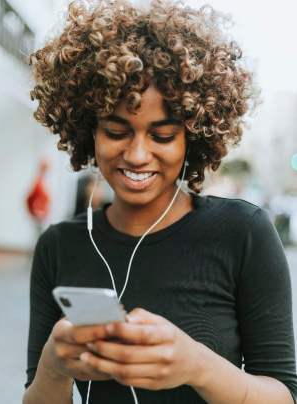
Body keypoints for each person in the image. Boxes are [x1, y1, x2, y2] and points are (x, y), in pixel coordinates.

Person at [23, 0, 297, 403]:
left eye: (163, 136)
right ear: (88, 131)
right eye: (116, 131)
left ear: (194, 137)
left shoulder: (243, 232)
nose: (136, 154)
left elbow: (284, 395)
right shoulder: (58, 246)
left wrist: (197, 366)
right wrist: (52, 364)